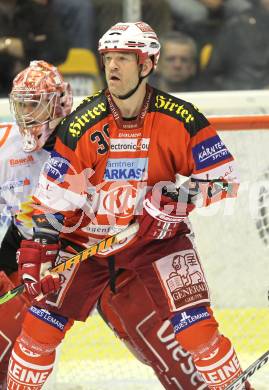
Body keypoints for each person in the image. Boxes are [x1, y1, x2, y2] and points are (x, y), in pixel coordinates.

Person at [6, 22, 252, 390]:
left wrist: (180, 200)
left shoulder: (181, 118)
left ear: (147, 64)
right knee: (38, 328)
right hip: (86, 243)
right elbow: (51, 201)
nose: (113, 67)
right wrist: (35, 254)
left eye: (124, 58)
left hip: (158, 241)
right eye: (108, 58)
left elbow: (225, 179)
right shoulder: (81, 125)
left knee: (199, 332)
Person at [0, 60, 73, 389]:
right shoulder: (6, 145)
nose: (27, 113)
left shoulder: (85, 141)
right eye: (22, 103)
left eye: (36, 103)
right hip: (25, 249)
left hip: (77, 254)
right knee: (11, 349)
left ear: (58, 103)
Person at [0, 0, 68, 96]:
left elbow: (59, 50)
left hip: (37, 90)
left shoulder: (37, 12)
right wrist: (7, 47)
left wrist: (24, 47)